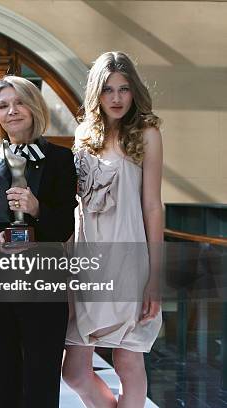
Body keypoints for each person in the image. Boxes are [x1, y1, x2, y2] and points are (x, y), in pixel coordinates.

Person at [62, 51, 163, 407]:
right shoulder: (84, 134)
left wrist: (154, 276)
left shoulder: (146, 134)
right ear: (96, 94)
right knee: (73, 371)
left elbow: (153, 205)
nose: (117, 98)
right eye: (107, 90)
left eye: (124, 89)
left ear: (134, 91)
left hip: (128, 260)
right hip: (86, 259)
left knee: (127, 358)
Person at [0, 75, 77, 407]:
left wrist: (36, 208)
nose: (12, 111)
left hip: (45, 276)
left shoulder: (61, 159)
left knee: (42, 374)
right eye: (3, 105)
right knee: (3, 374)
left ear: (34, 107)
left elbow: (64, 225)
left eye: (19, 103)